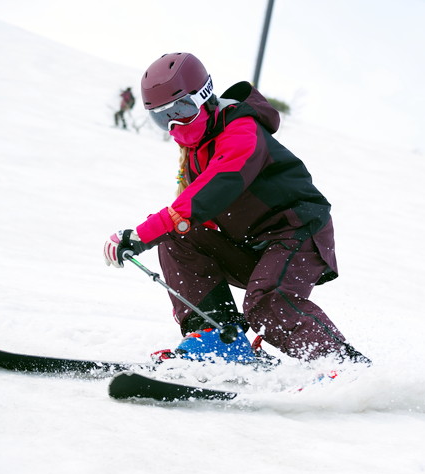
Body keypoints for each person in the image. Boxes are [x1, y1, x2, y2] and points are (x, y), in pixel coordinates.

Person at [103, 52, 369, 365]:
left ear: (203, 98)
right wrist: (140, 234)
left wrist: (144, 233)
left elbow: (214, 190)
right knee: (177, 236)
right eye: (163, 118)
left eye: (182, 110)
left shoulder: (241, 131)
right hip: (252, 244)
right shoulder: (195, 152)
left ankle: (342, 364)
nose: (175, 124)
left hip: (297, 231)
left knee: (266, 303)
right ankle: (219, 340)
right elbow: (185, 211)